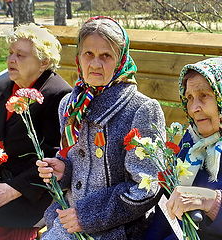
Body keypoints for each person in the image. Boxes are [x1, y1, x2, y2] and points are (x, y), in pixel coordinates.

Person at [37, 16, 166, 240]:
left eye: (106, 56)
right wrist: (63, 171)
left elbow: (147, 188)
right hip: (66, 223)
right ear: (79, 57)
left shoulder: (141, 109)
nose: (95, 64)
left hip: (115, 232)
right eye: (89, 54)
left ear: (120, 60)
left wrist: (87, 216)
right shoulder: (70, 105)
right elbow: (75, 162)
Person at [0, 23, 72, 240]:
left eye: (21, 55)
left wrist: (11, 190)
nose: (11, 60)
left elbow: (55, 157)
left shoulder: (57, 96)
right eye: (11, 53)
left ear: (44, 62)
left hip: (30, 193)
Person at [145, 57, 222, 240]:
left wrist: (211, 201)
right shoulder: (192, 141)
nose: (194, 107)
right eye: (189, 98)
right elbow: (166, 211)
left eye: (204, 95)